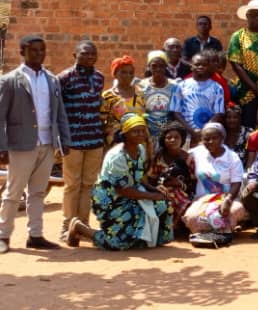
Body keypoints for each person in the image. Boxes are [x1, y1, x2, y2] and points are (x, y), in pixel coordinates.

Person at [0, 36, 72, 253]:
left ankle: (35, 235)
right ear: (22, 52)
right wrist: (2, 146)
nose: (39, 54)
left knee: (38, 192)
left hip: (47, 143)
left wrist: (64, 140)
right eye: (34, 51)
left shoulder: (51, 80)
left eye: (42, 50)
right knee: (13, 192)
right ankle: (3, 235)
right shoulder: (10, 80)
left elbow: (59, 113)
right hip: (21, 144)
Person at [65, 114, 174, 250]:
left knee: (163, 203)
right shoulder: (117, 157)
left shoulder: (140, 150)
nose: (140, 134)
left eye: (142, 130)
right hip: (111, 200)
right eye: (135, 131)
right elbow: (122, 190)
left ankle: (148, 240)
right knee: (117, 244)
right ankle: (81, 228)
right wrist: (151, 196)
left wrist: (155, 190)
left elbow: (138, 177)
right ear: (125, 134)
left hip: (131, 194)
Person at [56, 41, 105, 242]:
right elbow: (58, 111)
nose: (89, 57)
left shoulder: (99, 78)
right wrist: (61, 140)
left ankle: (82, 226)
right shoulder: (64, 78)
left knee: (88, 185)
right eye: (84, 53)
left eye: (93, 54)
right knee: (71, 185)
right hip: (73, 141)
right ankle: (67, 226)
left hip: (94, 140)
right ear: (74, 54)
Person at [181, 122, 246, 245]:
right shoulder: (197, 152)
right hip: (203, 199)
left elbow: (236, 183)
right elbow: (179, 153)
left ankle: (219, 234)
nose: (210, 141)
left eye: (214, 138)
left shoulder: (232, 157)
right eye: (206, 139)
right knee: (191, 218)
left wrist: (228, 200)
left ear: (222, 138)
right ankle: (217, 235)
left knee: (234, 211)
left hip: (227, 197)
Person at [228, 0, 258, 127]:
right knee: (248, 121)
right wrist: (254, 87)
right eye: (252, 15)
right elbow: (235, 64)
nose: (256, 18)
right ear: (247, 17)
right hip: (246, 88)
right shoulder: (238, 36)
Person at [146, 122, 192, 235]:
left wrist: (179, 184)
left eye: (176, 137)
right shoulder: (158, 157)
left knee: (177, 198)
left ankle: (174, 227)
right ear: (163, 140)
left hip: (183, 192)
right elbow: (150, 178)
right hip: (160, 190)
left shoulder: (187, 159)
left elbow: (193, 183)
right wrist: (159, 186)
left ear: (182, 139)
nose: (173, 140)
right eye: (169, 137)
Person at [100, 55, 145, 147]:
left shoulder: (140, 94)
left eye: (131, 73)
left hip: (138, 143)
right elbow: (101, 122)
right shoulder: (108, 96)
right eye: (124, 72)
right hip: (115, 143)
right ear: (115, 73)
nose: (128, 75)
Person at [139, 51, 177, 141]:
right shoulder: (141, 86)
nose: (158, 69)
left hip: (168, 135)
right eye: (154, 66)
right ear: (149, 67)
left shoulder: (174, 86)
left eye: (161, 66)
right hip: (147, 134)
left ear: (166, 67)